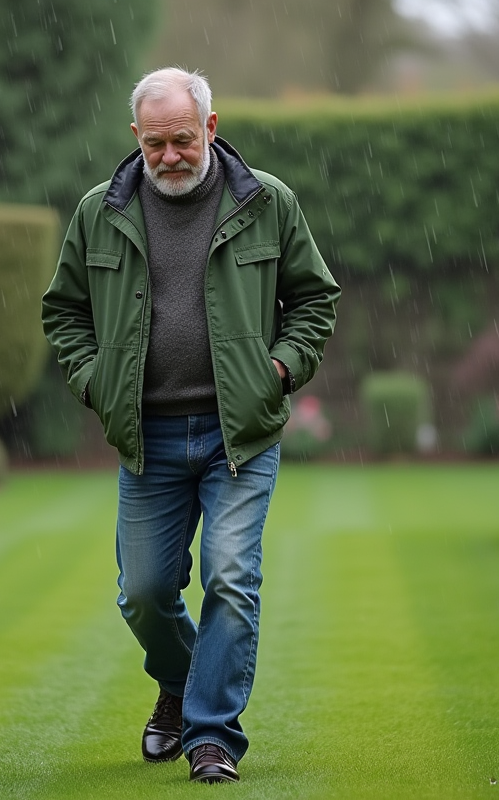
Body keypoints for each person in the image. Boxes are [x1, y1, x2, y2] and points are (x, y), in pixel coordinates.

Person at [41, 67, 339, 784]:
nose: (169, 156)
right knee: (143, 593)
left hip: (240, 434)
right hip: (147, 439)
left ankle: (211, 738)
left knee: (230, 577)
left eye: (181, 139)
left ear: (209, 126)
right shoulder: (99, 211)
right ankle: (180, 684)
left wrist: (277, 371)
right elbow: (64, 313)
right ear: (135, 138)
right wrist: (95, 382)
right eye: (155, 144)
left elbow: (314, 302)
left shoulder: (267, 202)